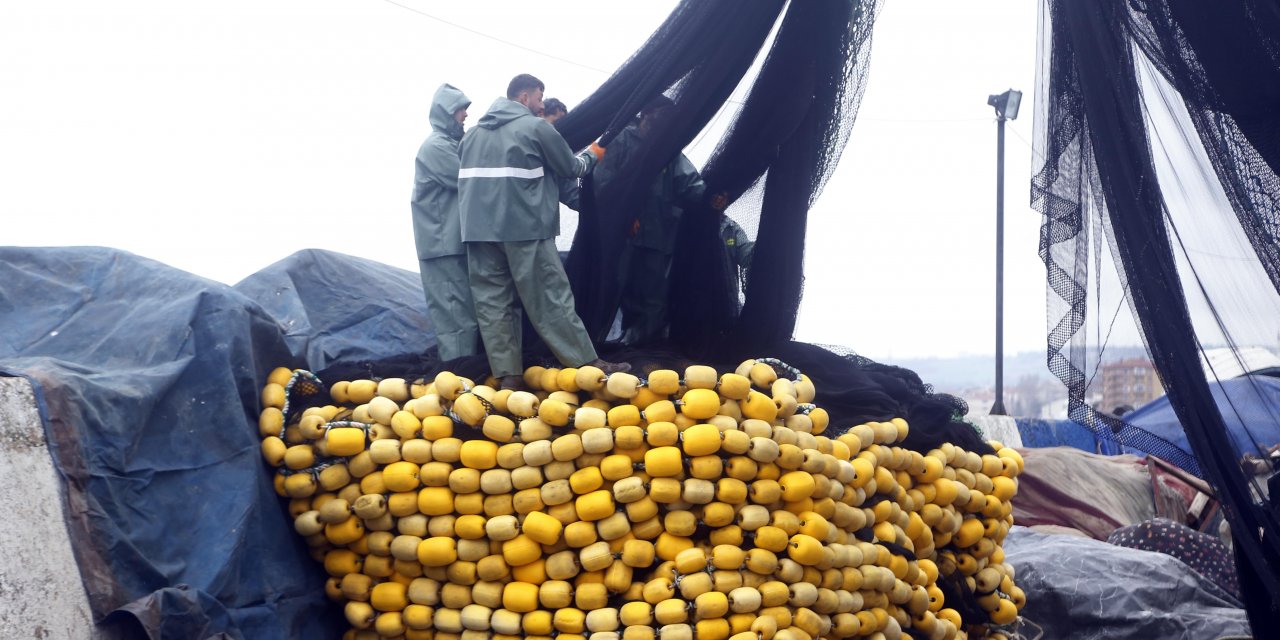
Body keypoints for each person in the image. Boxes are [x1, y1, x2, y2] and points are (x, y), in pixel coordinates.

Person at [457, 74, 629, 389]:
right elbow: (573, 169)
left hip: (478, 232)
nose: (541, 105)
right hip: (525, 229)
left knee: (494, 304)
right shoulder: (536, 129)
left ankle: (509, 377)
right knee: (549, 299)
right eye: (539, 97)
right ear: (524, 97)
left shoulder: (472, 136)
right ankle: (588, 365)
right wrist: (597, 151)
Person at [594, 95, 722, 345]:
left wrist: (711, 198)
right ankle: (592, 344)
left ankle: (640, 347)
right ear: (646, 114)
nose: (665, 121)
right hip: (620, 236)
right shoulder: (621, 140)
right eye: (661, 115)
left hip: (657, 236)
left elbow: (689, 183)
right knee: (610, 287)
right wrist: (620, 217)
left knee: (651, 297)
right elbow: (601, 183)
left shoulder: (668, 150)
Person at [410, 83, 479, 361]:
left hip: (453, 243)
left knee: (465, 312)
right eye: (460, 109)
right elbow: (470, 180)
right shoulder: (436, 147)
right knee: (455, 316)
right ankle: (458, 381)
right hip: (442, 246)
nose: (465, 115)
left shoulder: (452, 144)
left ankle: (468, 378)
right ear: (446, 113)